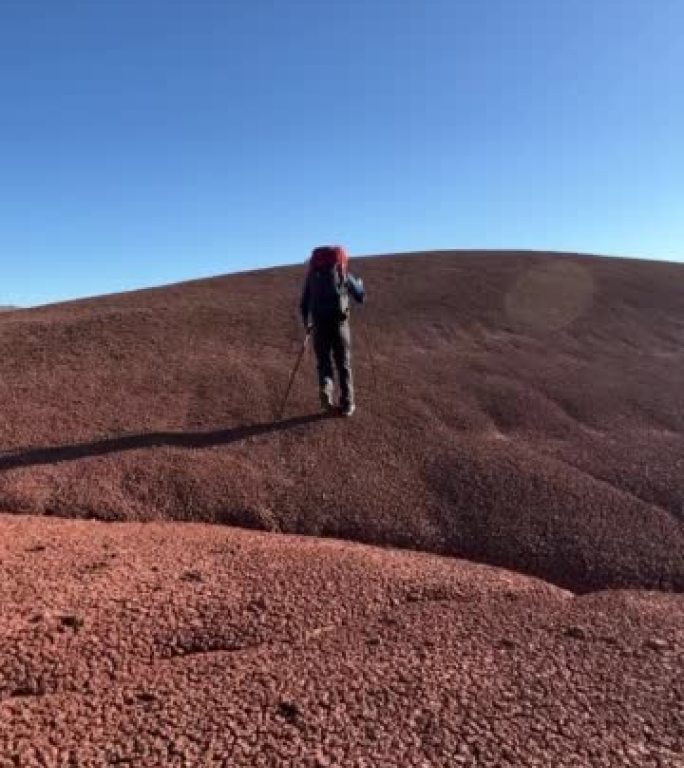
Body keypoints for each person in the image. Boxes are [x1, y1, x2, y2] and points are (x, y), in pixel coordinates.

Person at [299, 245, 365, 417]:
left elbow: (304, 303)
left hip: (319, 325)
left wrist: (307, 324)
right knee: (343, 364)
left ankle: (326, 391)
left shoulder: (312, 277)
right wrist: (359, 285)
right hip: (339, 325)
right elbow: (360, 296)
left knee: (324, 363)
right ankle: (347, 404)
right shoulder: (342, 272)